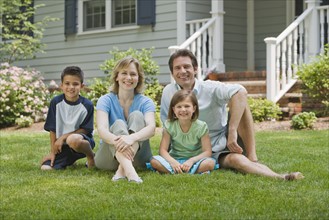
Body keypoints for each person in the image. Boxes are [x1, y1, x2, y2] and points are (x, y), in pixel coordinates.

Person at [156, 49, 304, 180]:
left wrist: (232, 131)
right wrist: (173, 158)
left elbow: (240, 91)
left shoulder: (211, 87)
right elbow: (168, 124)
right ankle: (277, 175)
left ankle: (259, 162)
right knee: (237, 161)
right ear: (172, 73)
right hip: (189, 152)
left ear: (195, 69)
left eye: (187, 66)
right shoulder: (168, 92)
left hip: (218, 146)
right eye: (177, 68)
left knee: (242, 103)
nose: (182, 71)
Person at [94, 57, 156, 183]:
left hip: (139, 158)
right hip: (108, 159)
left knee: (137, 116)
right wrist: (121, 141)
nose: (129, 78)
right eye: (124, 73)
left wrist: (131, 138)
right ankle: (130, 172)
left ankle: (122, 170)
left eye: (133, 74)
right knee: (118, 123)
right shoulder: (105, 100)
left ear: (138, 78)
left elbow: (151, 128)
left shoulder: (146, 102)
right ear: (117, 77)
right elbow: (101, 129)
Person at [41, 66, 95, 170]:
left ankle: (91, 156)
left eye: (75, 84)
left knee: (73, 139)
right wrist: (53, 152)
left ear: (82, 86)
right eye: (67, 83)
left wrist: (63, 137)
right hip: (64, 146)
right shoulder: (55, 102)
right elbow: (52, 129)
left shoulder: (87, 105)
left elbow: (85, 129)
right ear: (61, 85)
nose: (71, 87)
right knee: (45, 168)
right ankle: (69, 160)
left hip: (82, 142)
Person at [150, 90, 217, 174]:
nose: (183, 109)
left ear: (194, 108)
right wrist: (172, 162)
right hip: (174, 160)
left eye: (187, 106)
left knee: (210, 163)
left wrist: (191, 160)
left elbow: (207, 152)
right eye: (179, 107)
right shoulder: (169, 125)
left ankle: (175, 171)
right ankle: (187, 170)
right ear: (174, 110)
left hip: (195, 161)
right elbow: (163, 150)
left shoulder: (201, 126)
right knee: (154, 161)